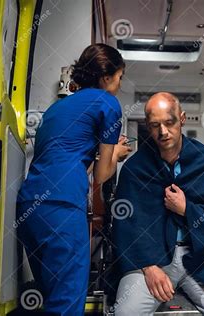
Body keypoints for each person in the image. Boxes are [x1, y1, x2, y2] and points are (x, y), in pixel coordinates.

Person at [16, 43, 131, 315]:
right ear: (106, 77)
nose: (119, 84)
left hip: (29, 207)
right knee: (66, 305)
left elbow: (75, 163)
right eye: (119, 77)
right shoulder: (108, 104)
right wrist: (116, 153)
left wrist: (107, 153)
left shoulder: (57, 109)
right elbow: (102, 175)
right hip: (62, 210)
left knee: (52, 299)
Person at [112, 92, 204, 315]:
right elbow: (124, 226)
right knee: (125, 313)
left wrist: (187, 210)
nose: (163, 132)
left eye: (169, 122)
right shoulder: (134, 168)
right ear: (147, 125)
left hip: (201, 260)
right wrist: (148, 267)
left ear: (182, 119)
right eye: (155, 125)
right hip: (151, 261)